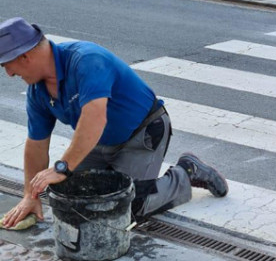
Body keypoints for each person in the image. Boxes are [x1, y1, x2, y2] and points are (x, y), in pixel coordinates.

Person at [0, 17, 228, 229]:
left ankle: (186, 173)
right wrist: (30, 196)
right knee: (71, 196)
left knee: (126, 208)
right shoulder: (37, 91)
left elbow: (95, 118)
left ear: (25, 57)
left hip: (142, 134)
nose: (8, 74)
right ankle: (115, 173)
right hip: (98, 143)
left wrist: (63, 167)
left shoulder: (86, 60)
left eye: (6, 65)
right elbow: (36, 145)